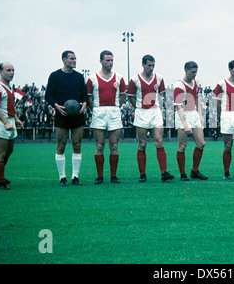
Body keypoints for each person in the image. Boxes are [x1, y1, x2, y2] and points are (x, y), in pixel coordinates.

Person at [126, 54, 174, 182]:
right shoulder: (135, 79)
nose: (151, 68)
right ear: (143, 65)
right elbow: (130, 96)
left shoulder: (159, 78)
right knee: (142, 144)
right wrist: (137, 107)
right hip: (141, 112)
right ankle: (142, 174)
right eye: (149, 65)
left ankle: (164, 172)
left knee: (159, 141)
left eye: (153, 65)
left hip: (155, 111)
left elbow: (162, 94)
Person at [45, 50, 87, 186]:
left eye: (75, 58)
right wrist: (56, 106)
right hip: (61, 113)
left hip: (77, 114)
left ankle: (75, 176)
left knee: (77, 144)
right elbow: (48, 95)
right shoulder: (55, 76)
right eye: (72, 59)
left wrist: (84, 104)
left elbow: (85, 95)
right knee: (61, 145)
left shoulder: (80, 77)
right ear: (64, 60)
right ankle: (62, 177)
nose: (75, 61)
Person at [87, 50, 127, 184]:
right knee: (99, 145)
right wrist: (95, 110)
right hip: (99, 112)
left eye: (111, 60)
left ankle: (113, 175)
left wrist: (117, 107)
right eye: (107, 60)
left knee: (114, 145)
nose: (110, 63)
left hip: (114, 112)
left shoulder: (119, 77)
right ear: (101, 61)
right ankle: (100, 176)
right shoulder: (92, 78)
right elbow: (88, 98)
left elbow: (123, 95)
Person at [0, 62, 24, 190]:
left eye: (13, 70)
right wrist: (5, 122)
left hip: (10, 121)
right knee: (1, 153)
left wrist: (16, 119)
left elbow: (11, 107)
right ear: (0, 72)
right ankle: (1, 182)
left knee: (9, 151)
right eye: (8, 70)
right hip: (1, 123)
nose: (11, 73)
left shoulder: (10, 87)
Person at [173, 61, 208, 181]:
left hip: (193, 113)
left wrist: (200, 114)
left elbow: (197, 98)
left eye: (196, 72)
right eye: (192, 72)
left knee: (201, 143)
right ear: (186, 70)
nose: (194, 74)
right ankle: (183, 174)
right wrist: (185, 124)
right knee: (182, 146)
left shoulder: (196, 82)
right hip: (183, 114)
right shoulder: (179, 86)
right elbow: (178, 107)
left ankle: (194, 171)